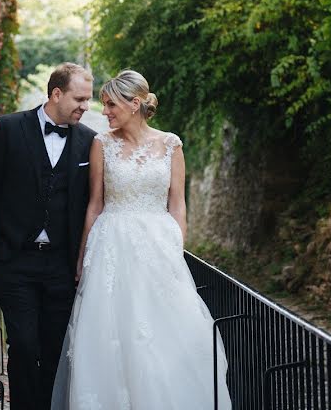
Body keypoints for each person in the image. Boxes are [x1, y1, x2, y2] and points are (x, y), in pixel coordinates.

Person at [51, 69, 232, 409]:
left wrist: (174, 252)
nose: (104, 112)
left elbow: (178, 204)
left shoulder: (170, 144)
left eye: (110, 105)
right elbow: (95, 204)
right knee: (112, 335)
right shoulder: (101, 144)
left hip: (157, 249)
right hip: (110, 249)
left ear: (134, 104)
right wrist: (82, 256)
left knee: (166, 335)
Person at [0, 63, 96, 410]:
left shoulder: (89, 141)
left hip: (61, 263)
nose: (85, 106)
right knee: (24, 345)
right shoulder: (7, 128)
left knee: (56, 347)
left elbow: (92, 201)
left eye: (87, 99)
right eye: (80, 98)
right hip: (14, 260)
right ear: (56, 94)